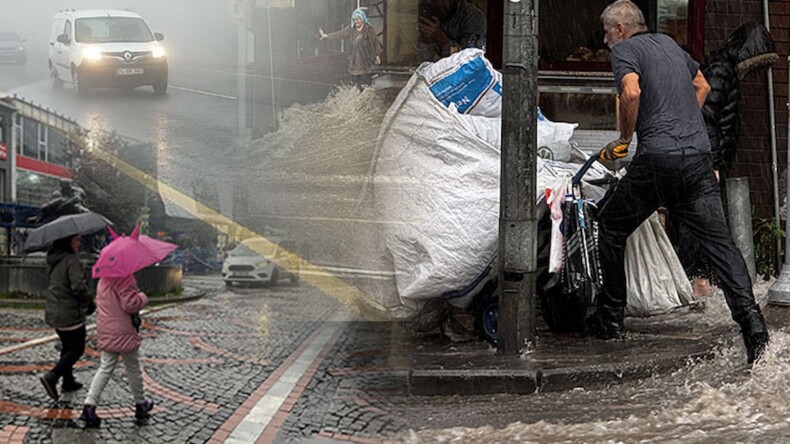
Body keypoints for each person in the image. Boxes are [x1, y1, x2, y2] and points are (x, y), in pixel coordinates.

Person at [587, 0, 769, 365]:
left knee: (610, 225)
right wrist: (684, 122)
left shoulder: (624, 51)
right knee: (721, 246)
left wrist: (624, 140)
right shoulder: (670, 44)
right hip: (698, 159)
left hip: (657, 159)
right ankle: (755, 330)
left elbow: (632, 93)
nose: (605, 39)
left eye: (606, 32)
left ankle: (610, 317)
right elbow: (700, 85)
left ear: (620, 28)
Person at [79, 274, 153, 428]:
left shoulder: (103, 279)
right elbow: (130, 305)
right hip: (124, 331)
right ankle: (141, 404)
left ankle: (89, 405)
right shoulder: (125, 278)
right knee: (133, 368)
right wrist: (142, 296)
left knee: (105, 368)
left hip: (106, 330)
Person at [39, 234, 95, 401]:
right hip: (69, 312)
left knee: (67, 346)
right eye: (77, 240)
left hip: (55, 312)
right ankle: (53, 376)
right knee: (77, 349)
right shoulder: (71, 259)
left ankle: (68, 380)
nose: (79, 243)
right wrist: (89, 301)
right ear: (68, 241)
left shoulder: (55, 259)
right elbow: (77, 286)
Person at [319, 9, 382, 89]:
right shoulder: (351, 29)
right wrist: (327, 36)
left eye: (358, 19)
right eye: (354, 20)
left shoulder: (369, 30)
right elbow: (340, 34)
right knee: (355, 84)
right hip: (354, 61)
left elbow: (375, 42)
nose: (356, 21)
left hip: (366, 60)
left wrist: (377, 55)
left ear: (362, 19)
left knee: (365, 84)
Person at [417, 0, 486, 61]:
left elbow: (469, 57)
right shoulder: (434, 12)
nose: (439, 3)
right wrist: (426, 40)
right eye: (434, 0)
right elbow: (423, 59)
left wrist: (442, 39)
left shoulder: (473, 17)